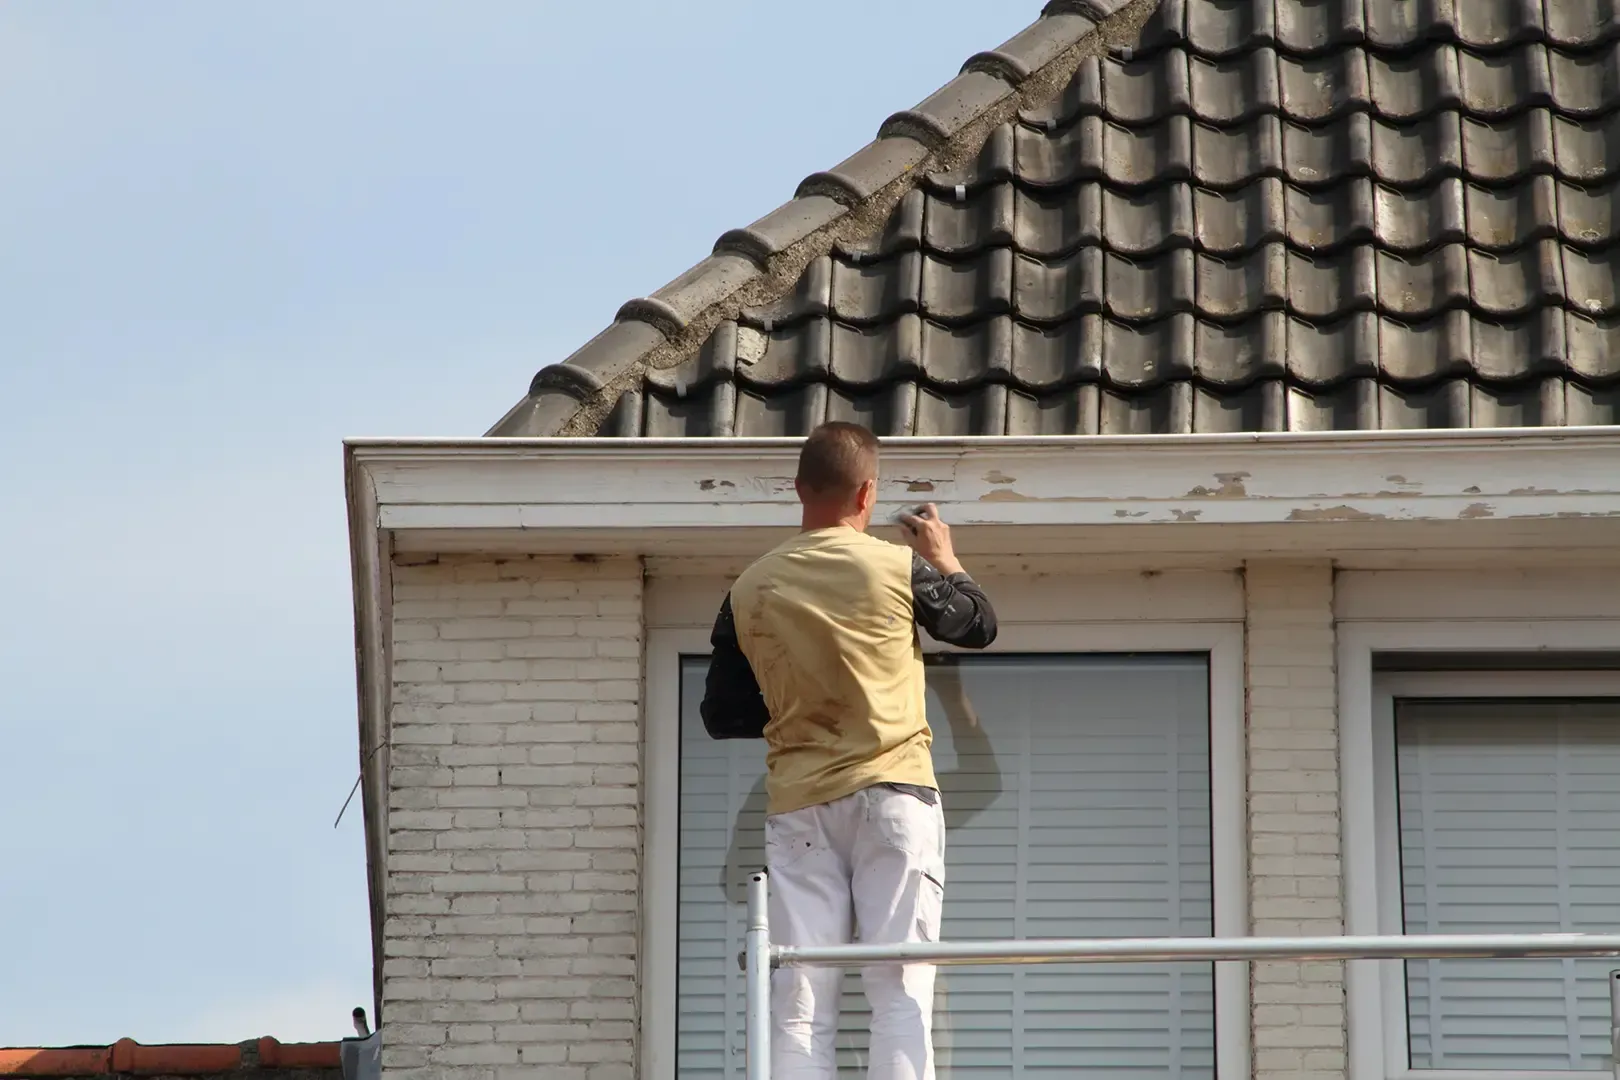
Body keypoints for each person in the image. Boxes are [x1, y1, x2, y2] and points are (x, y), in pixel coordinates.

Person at [699, 420, 999, 1080]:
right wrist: (946, 556)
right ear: (868, 493)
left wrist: (799, 704)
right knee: (899, 992)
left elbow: (721, 715)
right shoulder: (898, 566)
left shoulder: (748, 588)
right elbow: (977, 626)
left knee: (800, 998)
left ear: (797, 488)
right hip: (896, 797)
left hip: (801, 808)